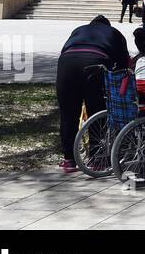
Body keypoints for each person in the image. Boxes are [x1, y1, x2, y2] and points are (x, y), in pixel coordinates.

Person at [55, 15, 129, 172]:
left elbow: (64, 50)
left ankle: (69, 159)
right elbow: (123, 64)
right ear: (107, 25)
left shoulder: (78, 30)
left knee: (68, 114)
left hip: (66, 63)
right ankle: (97, 159)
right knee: (97, 110)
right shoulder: (114, 32)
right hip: (95, 62)